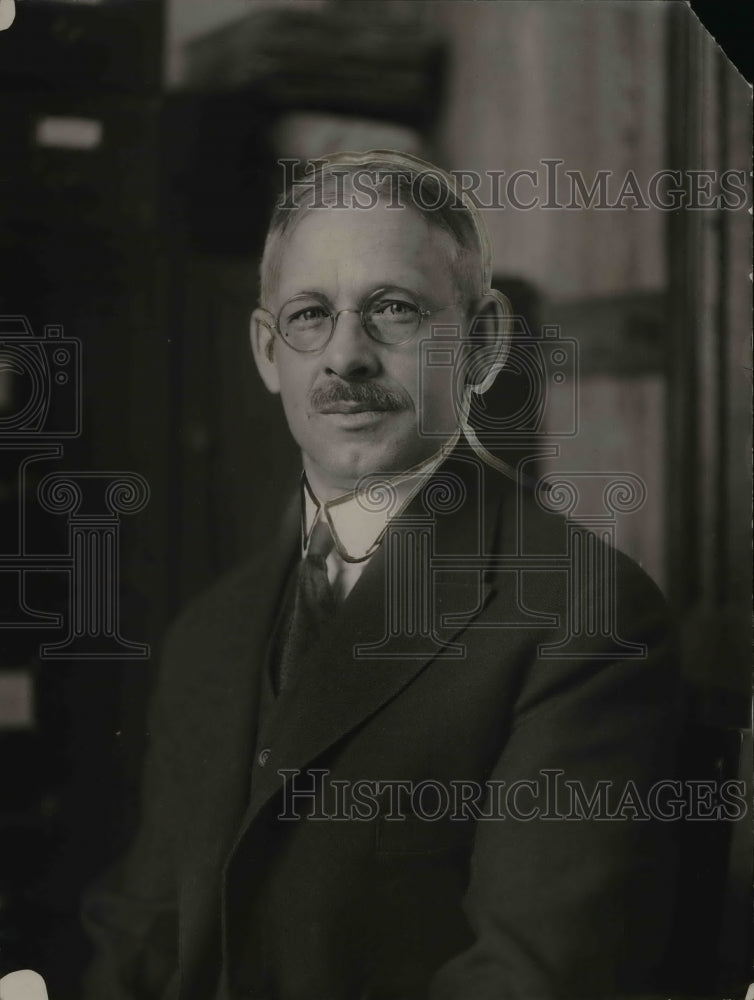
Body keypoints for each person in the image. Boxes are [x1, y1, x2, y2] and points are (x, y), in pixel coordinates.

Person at [82, 151, 680, 1000]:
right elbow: (141, 940)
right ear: (266, 351)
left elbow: (528, 980)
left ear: (483, 342)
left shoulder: (581, 615)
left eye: (393, 310)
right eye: (309, 316)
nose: (346, 357)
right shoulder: (213, 629)